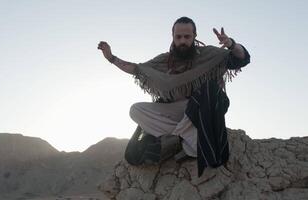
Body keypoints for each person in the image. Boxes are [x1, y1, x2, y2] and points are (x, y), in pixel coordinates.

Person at [97, 17, 250, 176]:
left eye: (187, 37)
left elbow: (241, 58)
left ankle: (185, 139)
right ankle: (183, 136)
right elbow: (137, 69)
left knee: (209, 91)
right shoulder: (163, 61)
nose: (182, 41)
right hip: (175, 113)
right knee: (135, 110)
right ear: (173, 36)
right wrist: (112, 58)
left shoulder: (208, 54)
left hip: (199, 114)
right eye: (178, 37)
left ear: (194, 35)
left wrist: (231, 44)